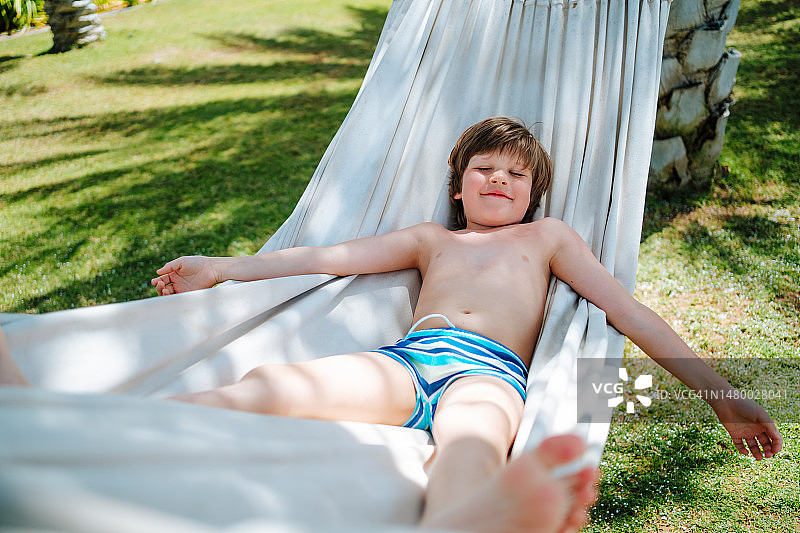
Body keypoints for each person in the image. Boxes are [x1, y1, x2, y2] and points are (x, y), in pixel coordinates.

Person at [1, 117, 782, 533]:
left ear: (535, 193)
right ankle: (93, 428)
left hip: (488, 374)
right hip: (407, 361)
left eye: (516, 174)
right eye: (485, 169)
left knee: (472, 439)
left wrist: (717, 393)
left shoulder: (549, 240)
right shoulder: (429, 238)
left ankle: (462, 522)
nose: (499, 179)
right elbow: (328, 254)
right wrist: (224, 266)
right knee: (271, 384)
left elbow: (625, 310)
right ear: (458, 184)